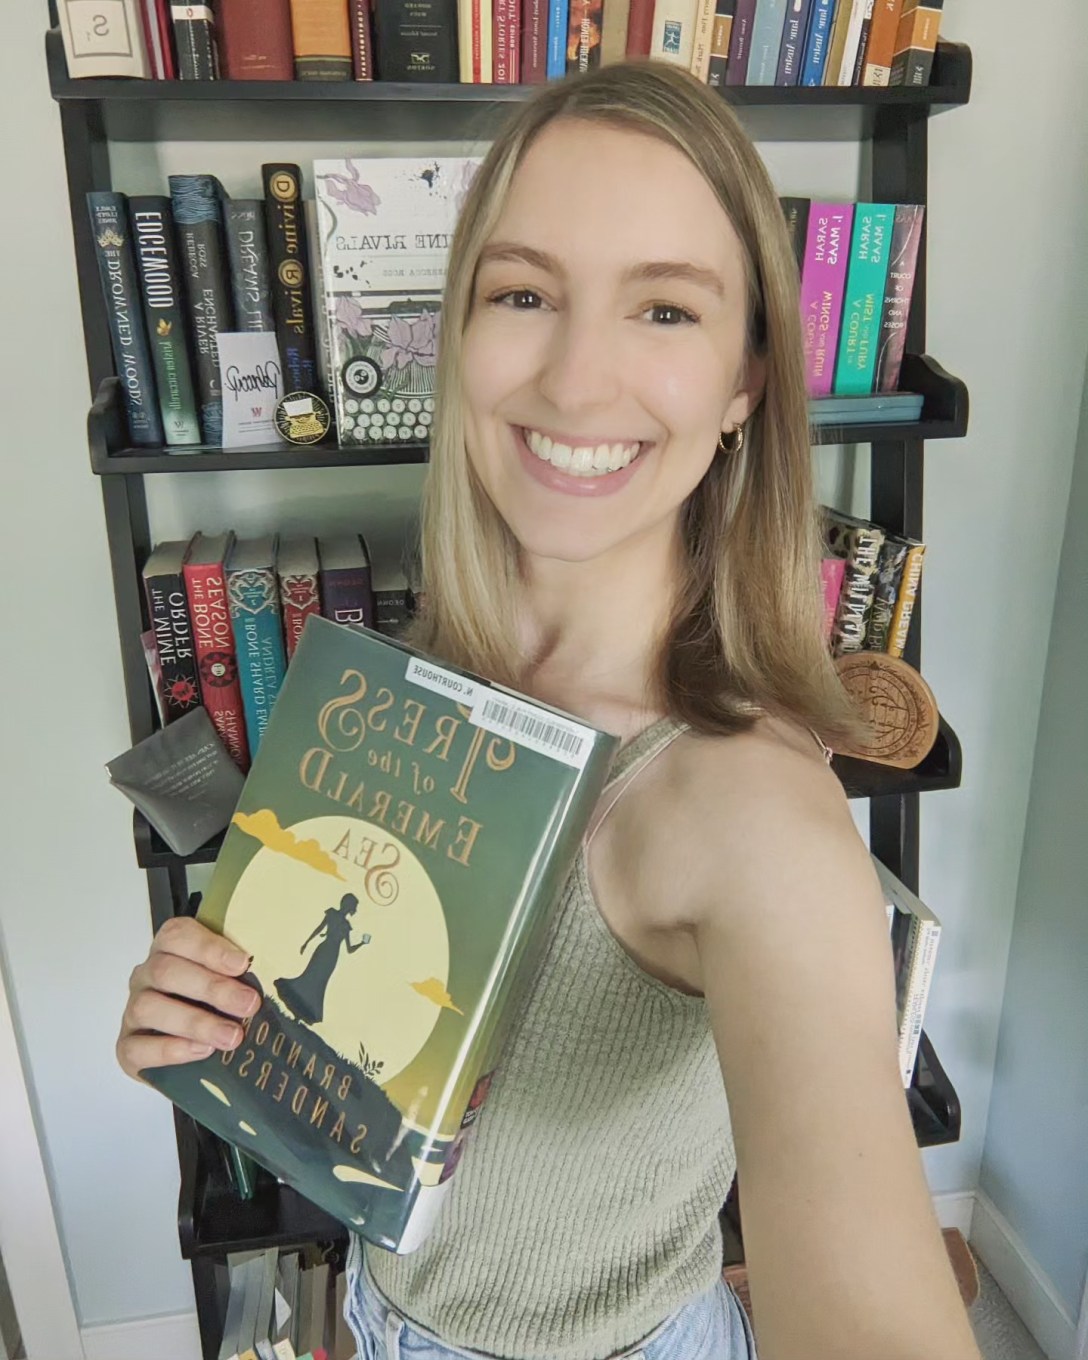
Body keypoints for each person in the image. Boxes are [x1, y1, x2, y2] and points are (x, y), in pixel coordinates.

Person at [117, 60, 982, 1360]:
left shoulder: (752, 816)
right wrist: (216, 1028)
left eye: (666, 311)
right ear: (460, 333)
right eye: (524, 293)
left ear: (749, 378)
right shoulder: (399, 680)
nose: (578, 382)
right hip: (377, 1310)